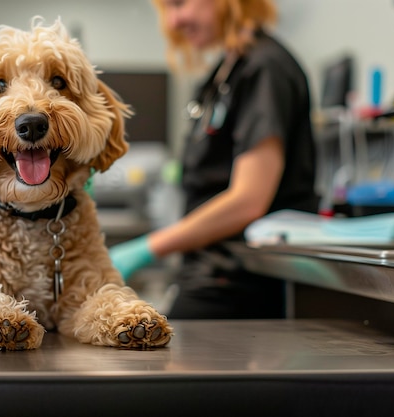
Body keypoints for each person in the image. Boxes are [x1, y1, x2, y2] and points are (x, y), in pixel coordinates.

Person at [109, 0, 319, 319]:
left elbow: (248, 200)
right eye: (166, 10)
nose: (174, 21)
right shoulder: (225, 73)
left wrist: (148, 247)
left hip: (239, 281)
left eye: (179, 4)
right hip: (210, 269)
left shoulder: (265, 68)